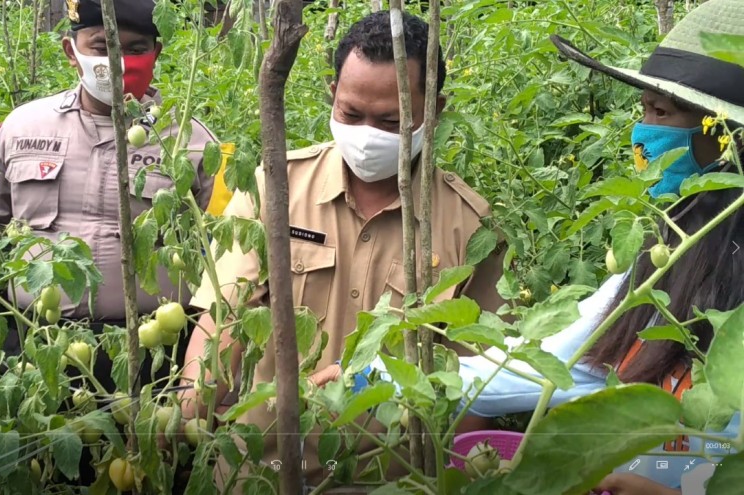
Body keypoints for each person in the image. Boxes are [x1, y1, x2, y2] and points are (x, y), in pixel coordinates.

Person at [180, 11, 506, 489]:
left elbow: (479, 377)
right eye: (351, 114)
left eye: (392, 121)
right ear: (332, 91)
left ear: (433, 108)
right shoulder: (273, 187)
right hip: (259, 472)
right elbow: (224, 316)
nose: (367, 133)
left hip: (393, 478)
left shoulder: (470, 226)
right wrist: (189, 410)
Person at [456, 1, 744, 493]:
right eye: (643, 109)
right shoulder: (666, 262)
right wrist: (374, 374)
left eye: (660, 112)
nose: (642, 132)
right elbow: (540, 360)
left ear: (723, 136)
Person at [0, 0, 225, 367]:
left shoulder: (192, 141)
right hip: (33, 339)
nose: (120, 60)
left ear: (155, 54)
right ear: (72, 51)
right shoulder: (23, 127)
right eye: (102, 47)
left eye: (136, 50)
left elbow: (224, 252)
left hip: (153, 348)